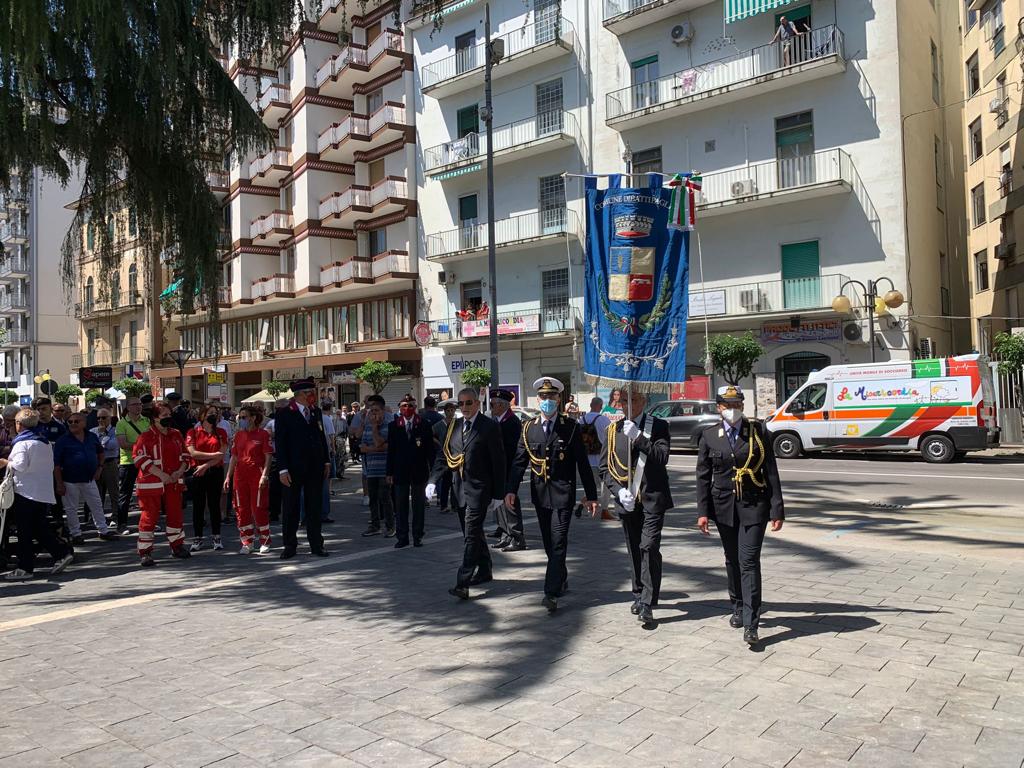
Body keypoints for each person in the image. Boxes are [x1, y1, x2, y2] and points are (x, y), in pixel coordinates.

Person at [696, 385, 785, 646]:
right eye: (727, 405)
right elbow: (702, 477)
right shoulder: (710, 435)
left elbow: (771, 471)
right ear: (718, 407)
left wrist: (777, 508)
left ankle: (751, 622)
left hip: (754, 506)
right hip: (723, 507)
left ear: (742, 407)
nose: (733, 410)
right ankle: (736, 604)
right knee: (732, 559)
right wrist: (702, 512)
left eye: (737, 405)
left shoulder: (757, 431)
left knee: (748, 560)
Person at [507, 378, 597, 613]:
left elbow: (582, 464)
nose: (547, 401)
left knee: (558, 542)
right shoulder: (529, 428)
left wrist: (591, 495)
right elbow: (518, 462)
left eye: (552, 397)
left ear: (559, 399)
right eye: (543, 397)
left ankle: (550, 593)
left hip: (563, 494)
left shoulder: (571, 427)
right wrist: (510, 490)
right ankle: (561, 577)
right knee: (549, 544)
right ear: (538, 400)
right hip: (540, 494)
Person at [599, 385, 673, 628]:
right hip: (627, 500)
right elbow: (604, 468)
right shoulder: (612, 431)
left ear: (644, 401)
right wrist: (618, 491)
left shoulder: (658, 426)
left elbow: (662, 458)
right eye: (622, 401)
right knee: (634, 548)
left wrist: (638, 438)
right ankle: (638, 592)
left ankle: (647, 603)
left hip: (652, 497)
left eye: (633, 399)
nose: (627, 405)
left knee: (648, 546)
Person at [427, 387, 506, 600]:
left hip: (480, 490)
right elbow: (445, 457)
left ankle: (463, 582)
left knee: (471, 534)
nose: (464, 408)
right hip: (459, 489)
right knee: (472, 532)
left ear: (478, 404)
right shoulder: (455, 426)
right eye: (460, 404)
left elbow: (499, 462)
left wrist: (499, 494)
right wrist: (432, 481)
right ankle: (486, 568)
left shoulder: (489, 427)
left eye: (468, 403)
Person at [0, 409, 74, 580]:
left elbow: (19, 465)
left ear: (19, 424)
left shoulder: (22, 443)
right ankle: (61, 552)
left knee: (25, 531)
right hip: (42, 491)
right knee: (37, 528)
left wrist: (5, 461)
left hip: (25, 491)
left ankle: (25, 567)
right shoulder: (44, 441)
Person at [275, 378, 332, 559]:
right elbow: (280, 444)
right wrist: (282, 469)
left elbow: (321, 436)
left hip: (314, 466)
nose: (313, 396)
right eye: (310, 393)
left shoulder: (315, 412)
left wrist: (326, 460)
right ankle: (290, 545)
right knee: (291, 507)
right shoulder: (285, 413)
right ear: (300, 395)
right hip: (292, 468)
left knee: (314, 506)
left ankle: (316, 544)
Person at [132, 402, 190, 566]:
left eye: (169, 414)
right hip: (151, 484)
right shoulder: (145, 437)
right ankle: (145, 552)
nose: (168, 418)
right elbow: (140, 459)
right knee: (149, 517)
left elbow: (185, 455)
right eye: (164, 415)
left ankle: (177, 546)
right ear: (154, 418)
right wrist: (162, 475)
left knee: (175, 516)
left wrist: (179, 472)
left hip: (173, 482)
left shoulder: (176, 434)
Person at [53, 412, 118, 543]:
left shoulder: (92, 437)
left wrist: (99, 468)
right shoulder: (62, 440)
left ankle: (103, 531)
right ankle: (76, 534)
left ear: (84, 423)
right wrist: (59, 483)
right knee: (71, 508)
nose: (72, 424)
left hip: (89, 478)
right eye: (70, 422)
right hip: (69, 480)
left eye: (76, 421)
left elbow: (101, 453)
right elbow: (57, 464)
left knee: (97, 504)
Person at [224, 405, 274, 554]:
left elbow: (268, 456)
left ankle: (264, 540)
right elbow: (234, 456)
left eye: (244, 417)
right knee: (241, 509)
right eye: (240, 417)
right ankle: (247, 542)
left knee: (258, 508)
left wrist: (265, 475)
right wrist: (228, 476)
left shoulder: (263, 434)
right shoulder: (238, 435)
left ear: (253, 418)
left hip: (256, 474)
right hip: (240, 475)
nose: (242, 420)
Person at [387, 395, 434, 548]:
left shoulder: (424, 424)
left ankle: (417, 536)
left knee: (418, 505)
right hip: (400, 472)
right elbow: (391, 451)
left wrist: (433, 473)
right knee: (400, 505)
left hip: (419, 471)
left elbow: (429, 451)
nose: (407, 409)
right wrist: (389, 472)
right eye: (404, 406)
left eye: (410, 406)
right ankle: (402, 537)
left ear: (415, 408)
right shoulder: (394, 426)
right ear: (400, 408)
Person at [186, 404, 228, 552]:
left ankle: (217, 536)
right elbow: (193, 453)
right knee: (198, 505)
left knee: (214, 505)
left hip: (213, 471)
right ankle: (197, 537)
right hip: (197, 471)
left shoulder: (221, 432)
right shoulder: (193, 432)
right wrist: (212, 456)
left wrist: (205, 465)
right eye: (210, 413)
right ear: (202, 415)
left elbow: (221, 454)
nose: (214, 415)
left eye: (216, 413)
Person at [489, 389, 527, 552]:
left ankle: (517, 538)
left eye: (493, 404)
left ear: (502, 405)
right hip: (498, 469)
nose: (491, 407)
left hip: (508, 468)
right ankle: (505, 534)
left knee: (510, 502)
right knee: (500, 502)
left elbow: (513, 449)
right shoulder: (497, 420)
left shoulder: (511, 422)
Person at [360, 395, 394, 537]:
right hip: (371, 469)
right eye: (371, 411)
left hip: (384, 469)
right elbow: (362, 447)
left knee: (385, 498)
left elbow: (381, 444)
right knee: (372, 498)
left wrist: (375, 429)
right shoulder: (367, 426)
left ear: (383, 412)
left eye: (376, 411)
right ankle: (375, 525)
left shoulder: (388, 425)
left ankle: (390, 526)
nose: (373, 414)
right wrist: (374, 447)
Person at [115, 396, 150, 534]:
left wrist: (138, 446)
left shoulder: (146, 421)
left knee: (147, 493)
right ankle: (122, 524)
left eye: (140, 404)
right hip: (128, 462)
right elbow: (123, 444)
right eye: (135, 404)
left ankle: (148, 521)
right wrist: (141, 446)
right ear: (128, 407)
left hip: (145, 462)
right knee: (125, 494)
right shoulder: (121, 424)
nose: (138, 407)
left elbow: (151, 440)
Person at [579, 397, 612, 519]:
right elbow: (611, 438)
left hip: (586, 460)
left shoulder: (581, 420)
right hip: (601, 459)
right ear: (601, 406)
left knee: (590, 484)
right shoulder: (603, 420)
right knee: (606, 485)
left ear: (590, 405)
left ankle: (586, 502)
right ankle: (604, 511)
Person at [91, 408, 120, 524]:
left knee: (114, 492)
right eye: (98, 418)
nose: (100, 420)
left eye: (104, 417)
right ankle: (98, 517)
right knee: (97, 493)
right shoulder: (92, 431)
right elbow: (93, 447)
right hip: (97, 465)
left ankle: (116, 516)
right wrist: (103, 443)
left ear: (110, 418)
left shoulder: (116, 431)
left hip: (110, 463)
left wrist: (102, 435)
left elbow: (113, 445)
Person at [431, 399, 457, 515]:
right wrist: (438, 443)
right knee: (446, 481)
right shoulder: (440, 424)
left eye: (452, 410)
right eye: (448, 410)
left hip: (455, 455)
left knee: (455, 481)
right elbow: (431, 434)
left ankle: (455, 504)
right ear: (445, 411)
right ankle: (444, 505)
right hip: (444, 456)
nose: (450, 412)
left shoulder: (457, 423)